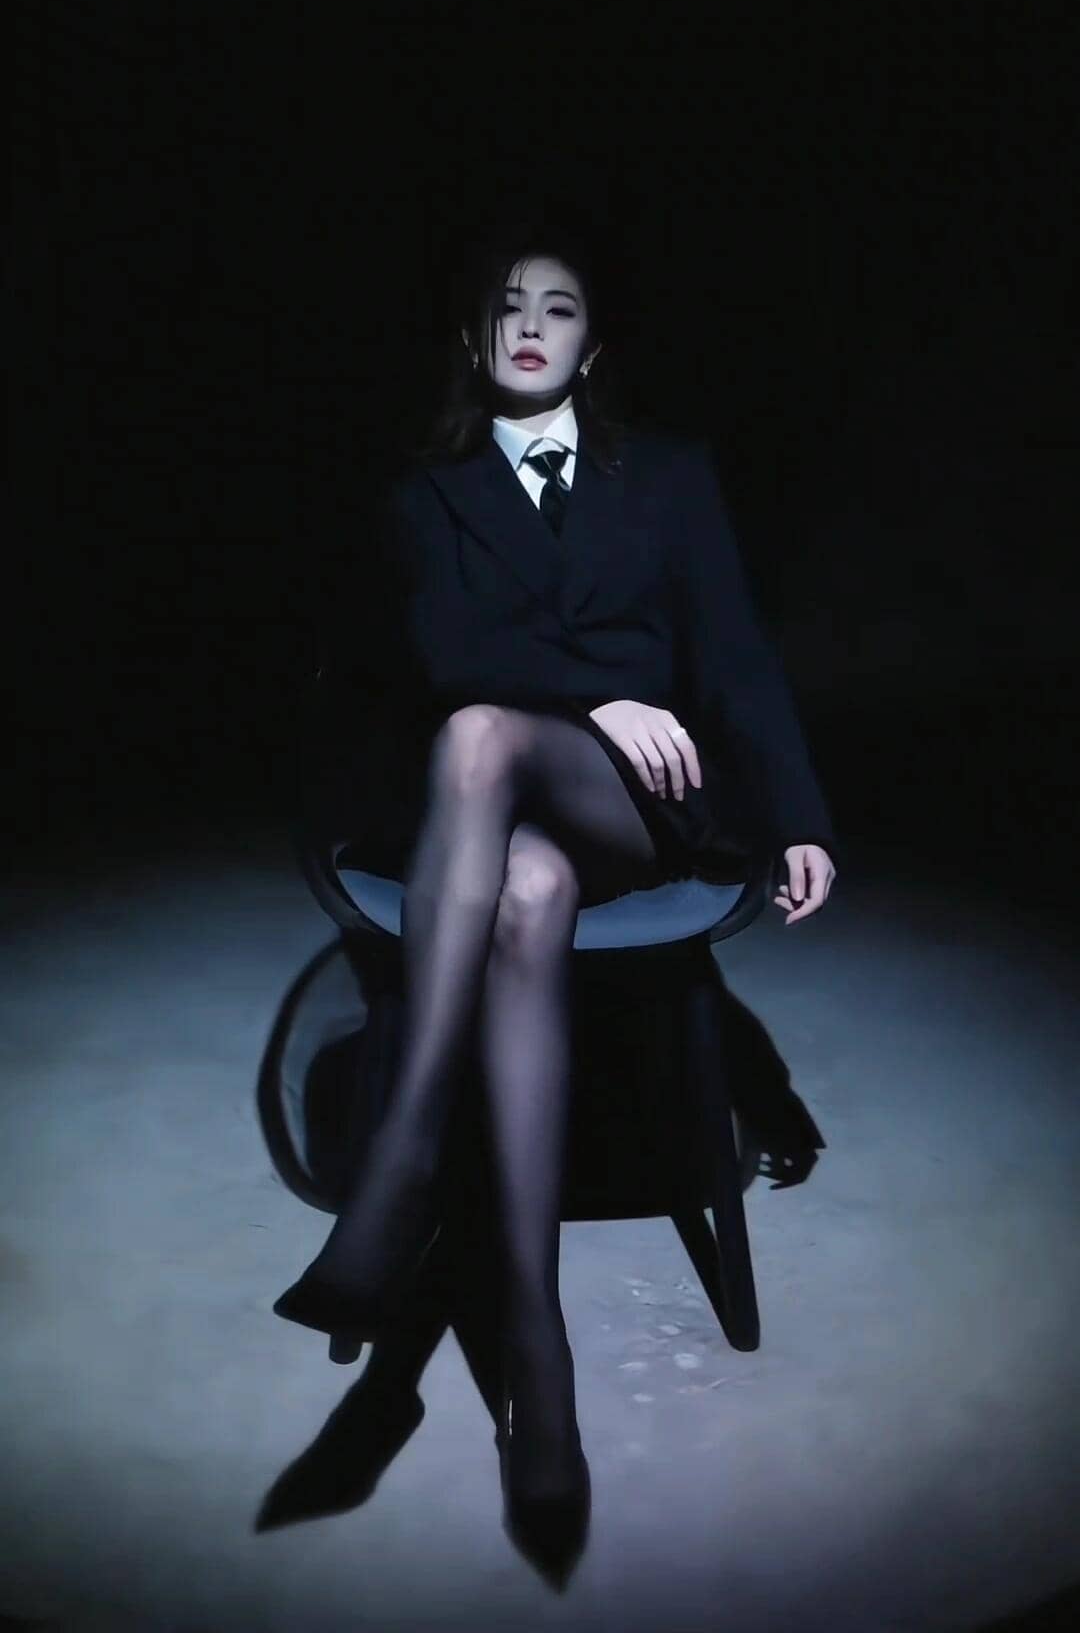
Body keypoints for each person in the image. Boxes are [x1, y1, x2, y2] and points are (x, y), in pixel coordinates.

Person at [276, 215, 838, 1536]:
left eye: (560, 309)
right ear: (474, 338)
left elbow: (736, 656)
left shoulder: (670, 476)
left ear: (592, 348)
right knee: (522, 876)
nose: (531, 327)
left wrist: (800, 819)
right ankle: (541, 1356)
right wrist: (597, 702)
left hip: (643, 804)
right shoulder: (428, 492)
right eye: (508, 307)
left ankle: (405, 1155)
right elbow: (443, 654)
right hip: (505, 808)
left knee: (484, 739)